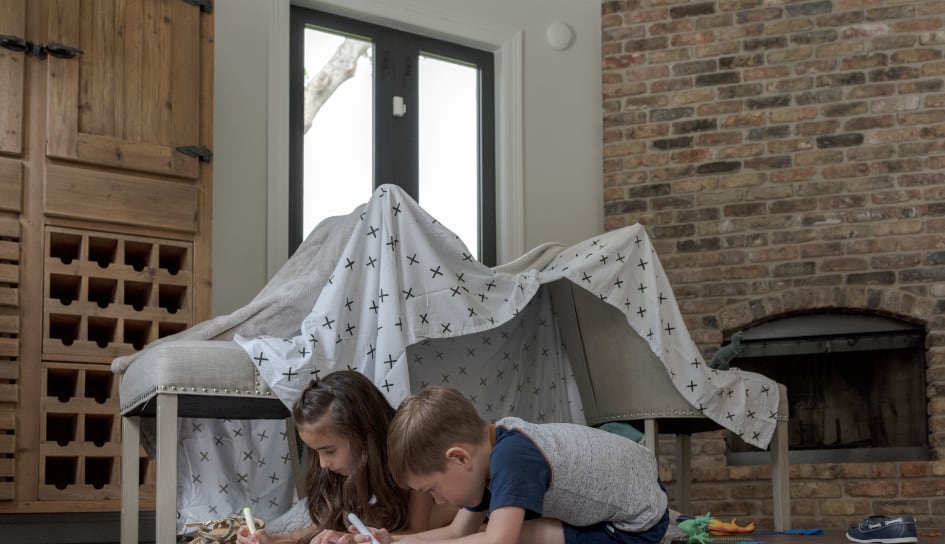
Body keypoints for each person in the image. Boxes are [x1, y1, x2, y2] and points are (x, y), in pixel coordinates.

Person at [368, 385, 669, 544]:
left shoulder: (512, 459)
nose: (437, 501)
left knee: (513, 534)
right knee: (484, 531)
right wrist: (393, 540)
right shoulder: (489, 450)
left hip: (636, 527)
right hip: (635, 488)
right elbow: (458, 532)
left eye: (433, 489)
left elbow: (500, 541)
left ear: (459, 458)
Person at [237, 371, 455, 544]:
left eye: (329, 451)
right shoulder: (349, 470)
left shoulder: (409, 456)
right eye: (316, 452)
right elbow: (335, 522)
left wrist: (356, 539)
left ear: (363, 434)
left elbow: (417, 530)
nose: (323, 464)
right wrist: (276, 539)